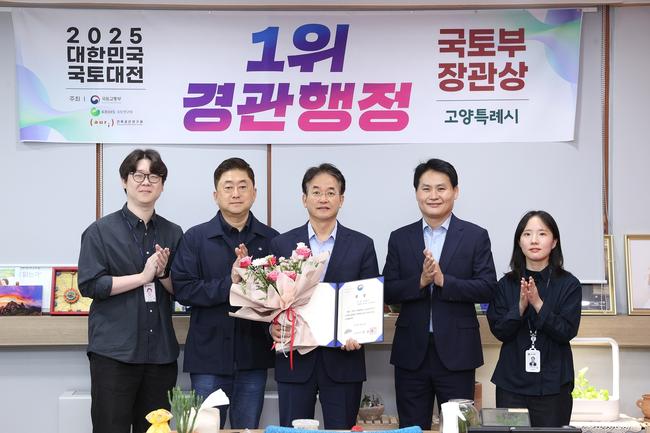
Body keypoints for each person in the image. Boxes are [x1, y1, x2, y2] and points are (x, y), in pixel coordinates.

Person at [383, 158, 497, 429]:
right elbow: (387, 290)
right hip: (411, 353)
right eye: (426, 188)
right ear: (416, 193)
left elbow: (488, 287)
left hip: (458, 352)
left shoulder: (475, 236)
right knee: (412, 428)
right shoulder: (400, 237)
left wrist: (445, 281)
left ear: (455, 192)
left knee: (457, 428)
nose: (433, 195)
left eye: (441, 188)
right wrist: (421, 281)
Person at [78, 149, 182, 433]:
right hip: (114, 354)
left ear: (162, 185)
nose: (146, 181)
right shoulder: (100, 231)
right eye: (138, 175)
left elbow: (181, 291)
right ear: (124, 180)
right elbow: (90, 284)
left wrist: (162, 274)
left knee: (157, 430)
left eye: (154, 176)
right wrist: (142, 277)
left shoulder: (173, 233)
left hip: (160, 355)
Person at [270, 163, 379, 429]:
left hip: (344, 360)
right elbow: (270, 300)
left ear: (341, 199)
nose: (323, 198)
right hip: (295, 361)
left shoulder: (362, 245)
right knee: (293, 432)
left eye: (331, 192)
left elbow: (370, 301)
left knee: (341, 431)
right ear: (304, 198)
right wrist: (273, 327)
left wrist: (360, 333)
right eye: (316, 192)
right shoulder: (282, 244)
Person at [171, 157, 278, 429]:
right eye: (228, 187)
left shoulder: (271, 240)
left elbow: (280, 296)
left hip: (253, 356)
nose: (236, 193)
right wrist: (230, 283)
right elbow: (183, 289)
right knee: (205, 429)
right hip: (208, 358)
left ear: (254, 193)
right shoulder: (195, 238)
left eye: (243, 186)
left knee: (247, 429)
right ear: (215, 194)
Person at [487, 210, 581, 427]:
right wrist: (520, 306)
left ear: (554, 242)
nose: (534, 240)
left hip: (553, 385)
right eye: (527, 234)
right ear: (519, 242)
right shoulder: (505, 285)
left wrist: (538, 303)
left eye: (542, 234)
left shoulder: (569, 284)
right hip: (511, 384)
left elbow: (566, 331)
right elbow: (500, 331)